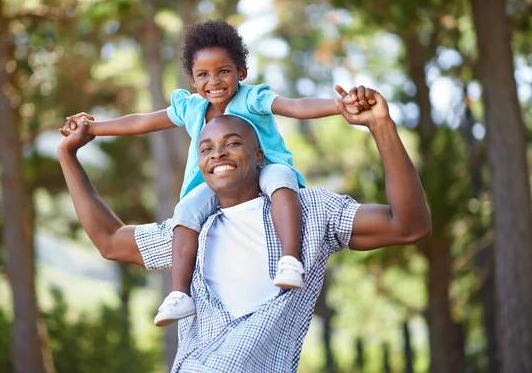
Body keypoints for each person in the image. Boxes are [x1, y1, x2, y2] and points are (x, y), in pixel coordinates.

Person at [58, 85, 431, 372]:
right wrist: (68, 157)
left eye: (231, 143)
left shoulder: (311, 212)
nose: (217, 153)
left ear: (258, 156)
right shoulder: (191, 232)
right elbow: (109, 240)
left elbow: (408, 226)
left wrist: (381, 126)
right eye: (205, 149)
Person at [63, 20, 366, 327]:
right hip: (216, 182)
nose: (214, 81)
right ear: (193, 80)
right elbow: (142, 121)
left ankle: (290, 259)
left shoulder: (252, 98)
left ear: (241, 73)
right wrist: (93, 129)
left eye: (223, 71)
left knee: (281, 181)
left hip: (264, 167)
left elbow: (296, 106)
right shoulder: (191, 108)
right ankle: (180, 294)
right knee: (186, 211)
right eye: (203, 75)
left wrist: (338, 106)